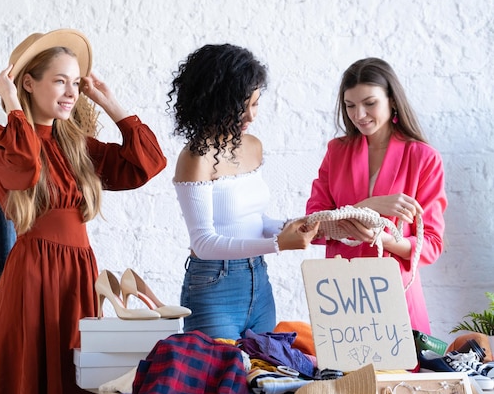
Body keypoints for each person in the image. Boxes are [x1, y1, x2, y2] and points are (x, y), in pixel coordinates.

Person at [0, 29, 166, 394]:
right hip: (32, 276)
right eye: (60, 81)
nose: (71, 92)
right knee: (30, 381)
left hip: (80, 277)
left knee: (81, 381)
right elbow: (23, 168)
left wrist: (110, 103)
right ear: (28, 83)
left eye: (76, 83)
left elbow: (147, 164)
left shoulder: (77, 145)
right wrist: (11, 102)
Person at [168, 44, 319, 341]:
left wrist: (291, 227)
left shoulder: (252, 147)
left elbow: (254, 219)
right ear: (214, 102)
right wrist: (278, 243)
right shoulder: (195, 159)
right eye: (242, 105)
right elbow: (203, 243)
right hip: (213, 288)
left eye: (256, 103)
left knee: (262, 382)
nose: (251, 115)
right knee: (221, 382)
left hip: (259, 284)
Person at [306, 57, 447, 335]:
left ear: (392, 100)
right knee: (347, 378)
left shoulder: (423, 158)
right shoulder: (336, 152)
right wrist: (366, 207)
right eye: (350, 106)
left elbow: (430, 244)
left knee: (401, 378)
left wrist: (382, 238)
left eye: (369, 103)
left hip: (397, 296)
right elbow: (312, 227)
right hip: (341, 298)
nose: (359, 115)